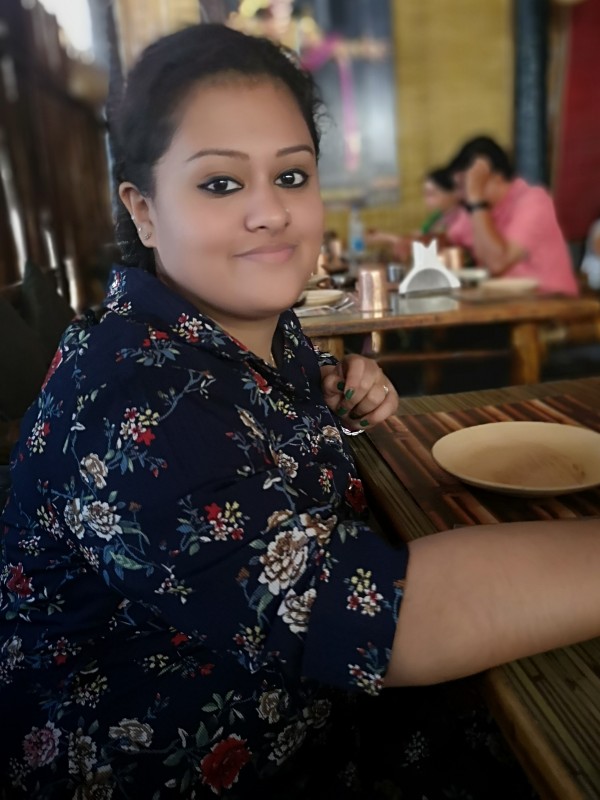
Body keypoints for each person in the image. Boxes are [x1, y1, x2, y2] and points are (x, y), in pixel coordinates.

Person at [0, 23, 599, 800]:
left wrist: (334, 392)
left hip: (306, 708)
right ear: (143, 210)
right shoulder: (131, 397)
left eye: (291, 176)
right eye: (221, 184)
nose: (270, 213)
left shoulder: (246, 330)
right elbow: (390, 620)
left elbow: (257, 412)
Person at [445, 135, 580, 296]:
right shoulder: (477, 210)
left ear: (496, 177)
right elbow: (449, 242)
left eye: (465, 185)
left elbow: (497, 263)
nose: (461, 195)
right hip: (509, 303)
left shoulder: (534, 201)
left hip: (553, 303)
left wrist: (476, 197)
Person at [365, 166, 464, 262]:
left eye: (431, 194)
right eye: (424, 194)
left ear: (454, 192)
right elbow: (418, 236)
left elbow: (433, 244)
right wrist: (383, 236)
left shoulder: (461, 218)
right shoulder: (436, 217)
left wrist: (386, 238)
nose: (426, 200)